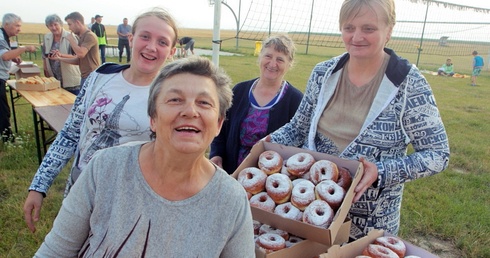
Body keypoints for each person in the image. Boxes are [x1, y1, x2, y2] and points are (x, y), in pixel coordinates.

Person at [34, 56, 254, 257]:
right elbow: (55, 252)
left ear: (218, 124)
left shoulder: (231, 200)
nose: (190, 111)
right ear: (153, 118)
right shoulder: (105, 167)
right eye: (175, 99)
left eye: (204, 103)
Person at [266, 0, 450, 241]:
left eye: (369, 29)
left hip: (369, 222)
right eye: (349, 27)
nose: (356, 37)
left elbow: (438, 154)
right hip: (313, 211)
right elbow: (298, 128)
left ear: (389, 30)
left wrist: (381, 172)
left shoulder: (408, 84)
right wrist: (268, 142)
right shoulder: (324, 73)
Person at [23, 7, 179, 233]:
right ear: (131, 38)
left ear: (172, 51)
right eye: (145, 36)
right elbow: (70, 134)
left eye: (162, 42)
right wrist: (39, 185)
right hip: (79, 189)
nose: (151, 46)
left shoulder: (173, 96)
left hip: (130, 205)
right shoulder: (101, 76)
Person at [210, 34, 303, 174]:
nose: (272, 64)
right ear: (260, 57)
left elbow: (299, 145)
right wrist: (217, 154)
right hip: (231, 172)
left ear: (289, 64)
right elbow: (220, 128)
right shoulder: (239, 91)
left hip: (270, 182)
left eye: (280, 59)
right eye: (268, 56)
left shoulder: (295, 100)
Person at [0, 13, 37, 142]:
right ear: (6, 25)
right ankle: (7, 138)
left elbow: (5, 55)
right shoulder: (0, 37)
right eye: (17, 26)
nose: (19, 29)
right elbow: (4, 56)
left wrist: (13, 56)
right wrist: (24, 48)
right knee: (3, 110)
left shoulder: (4, 36)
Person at [42, 14, 81, 95]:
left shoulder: (71, 37)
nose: (53, 28)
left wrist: (60, 55)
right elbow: (44, 55)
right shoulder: (47, 37)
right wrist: (45, 69)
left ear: (60, 24)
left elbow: (77, 56)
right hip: (54, 77)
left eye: (55, 24)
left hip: (70, 78)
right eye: (50, 25)